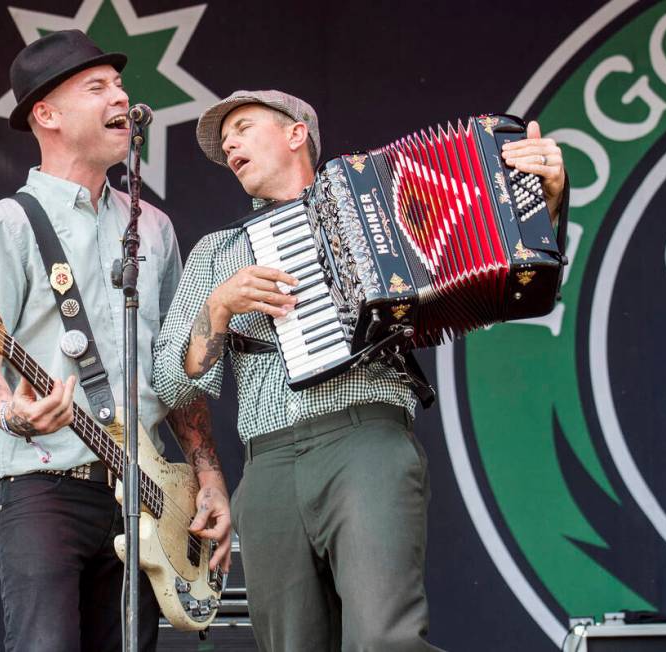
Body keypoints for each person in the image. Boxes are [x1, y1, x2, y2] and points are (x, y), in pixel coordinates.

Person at [153, 90, 568, 651]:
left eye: (244, 127)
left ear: (296, 133)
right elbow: (174, 382)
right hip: (268, 462)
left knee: (384, 640)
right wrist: (217, 308)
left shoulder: (382, 199)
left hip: (364, 439)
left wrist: (541, 197)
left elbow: (523, 271)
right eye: (225, 140)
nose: (229, 144)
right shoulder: (216, 251)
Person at [0, 30, 230, 652]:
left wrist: (208, 477)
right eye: (97, 87)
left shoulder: (153, 227)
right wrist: (13, 412)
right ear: (45, 114)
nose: (121, 98)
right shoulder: (7, 224)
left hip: (148, 494)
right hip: (45, 489)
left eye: (122, 86)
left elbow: (177, 372)